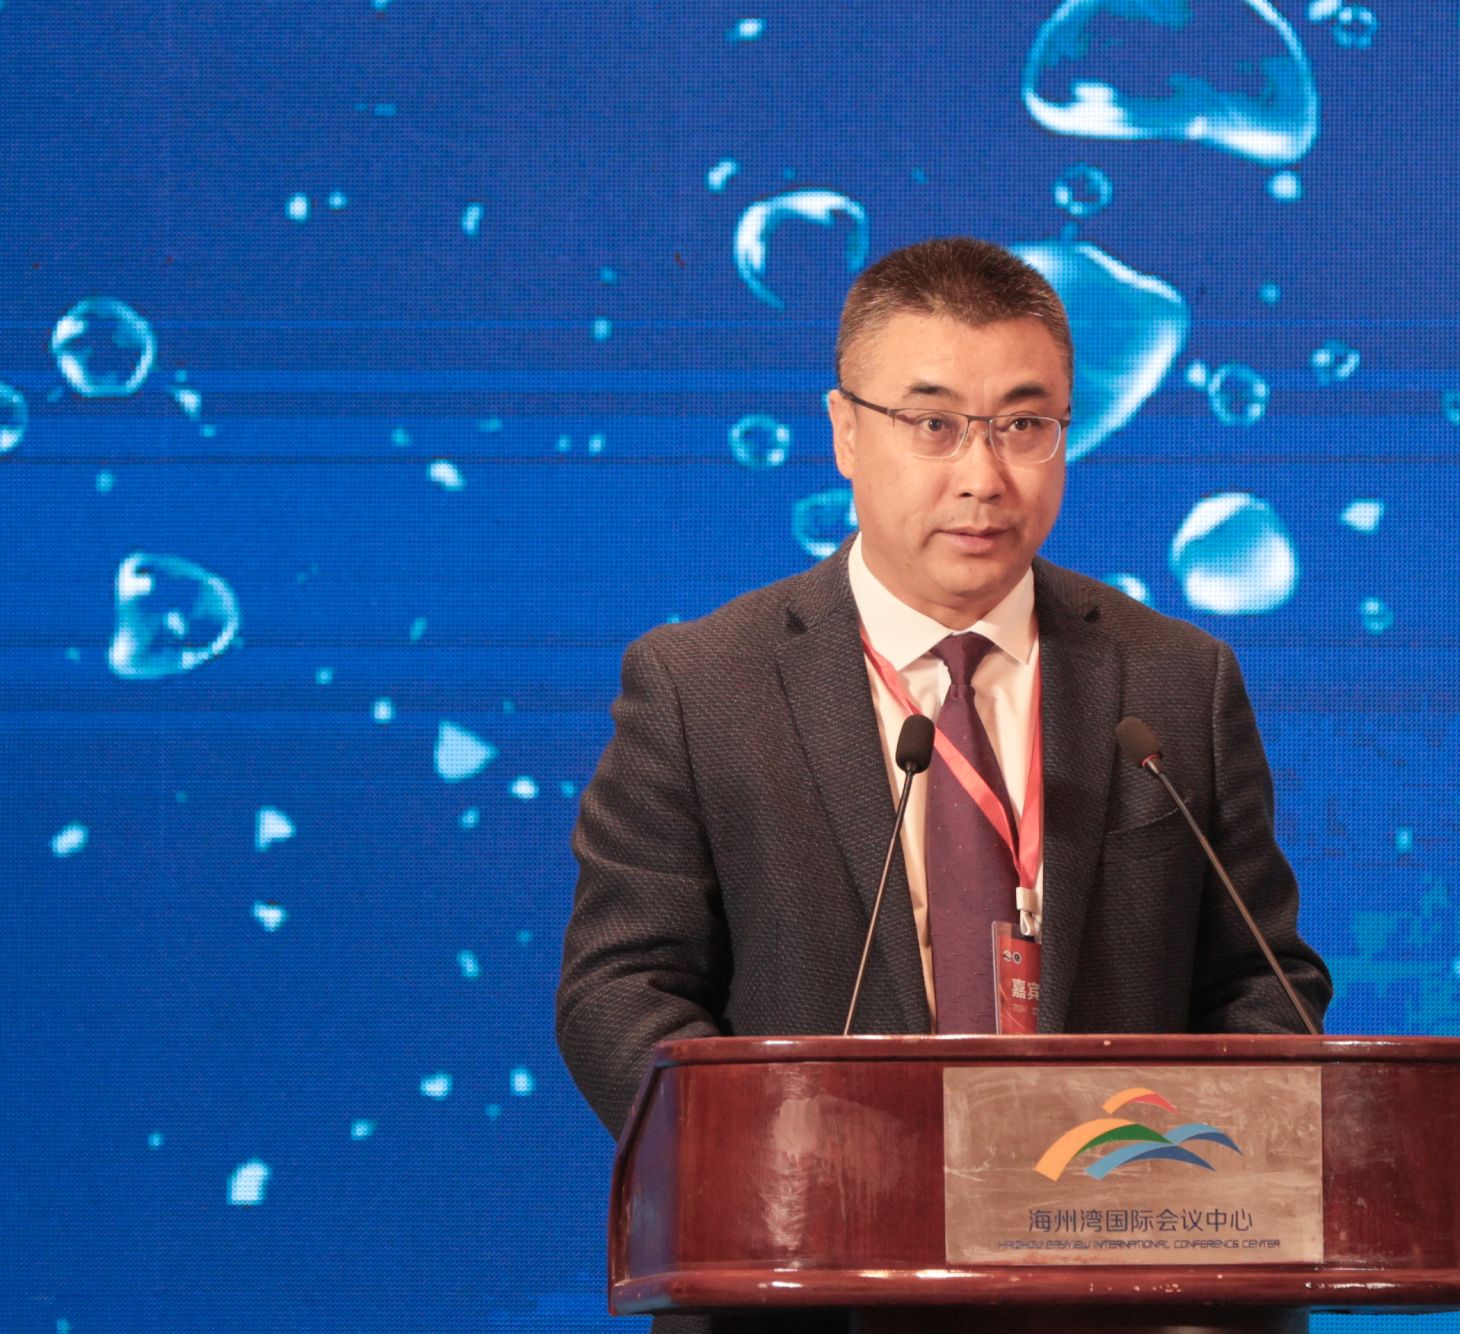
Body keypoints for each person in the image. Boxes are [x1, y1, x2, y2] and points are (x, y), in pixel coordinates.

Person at [555, 236, 1331, 1334]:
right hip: (814, 1296)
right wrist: (778, 1168)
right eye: (933, 425)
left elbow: (1264, 983)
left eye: (1023, 425)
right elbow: (617, 990)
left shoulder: (1175, 681)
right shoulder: (701, 685)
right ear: (844, 432)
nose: (982, 476)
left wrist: (1176, 1177)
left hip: (1129, 1296)